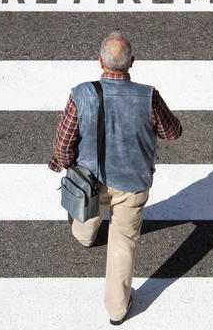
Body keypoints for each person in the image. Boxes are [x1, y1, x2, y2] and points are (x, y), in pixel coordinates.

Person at [48, 32, 182, 325]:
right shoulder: (149, 96)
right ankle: (117, 309)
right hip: (133, 182)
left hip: (90, 178)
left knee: (86, 215)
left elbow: (63, 143)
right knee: (123, 244)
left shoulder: (81, 94)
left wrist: (67, 163)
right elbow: (172, 132)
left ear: (100, 62)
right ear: (132, 62)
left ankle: (84, 236)